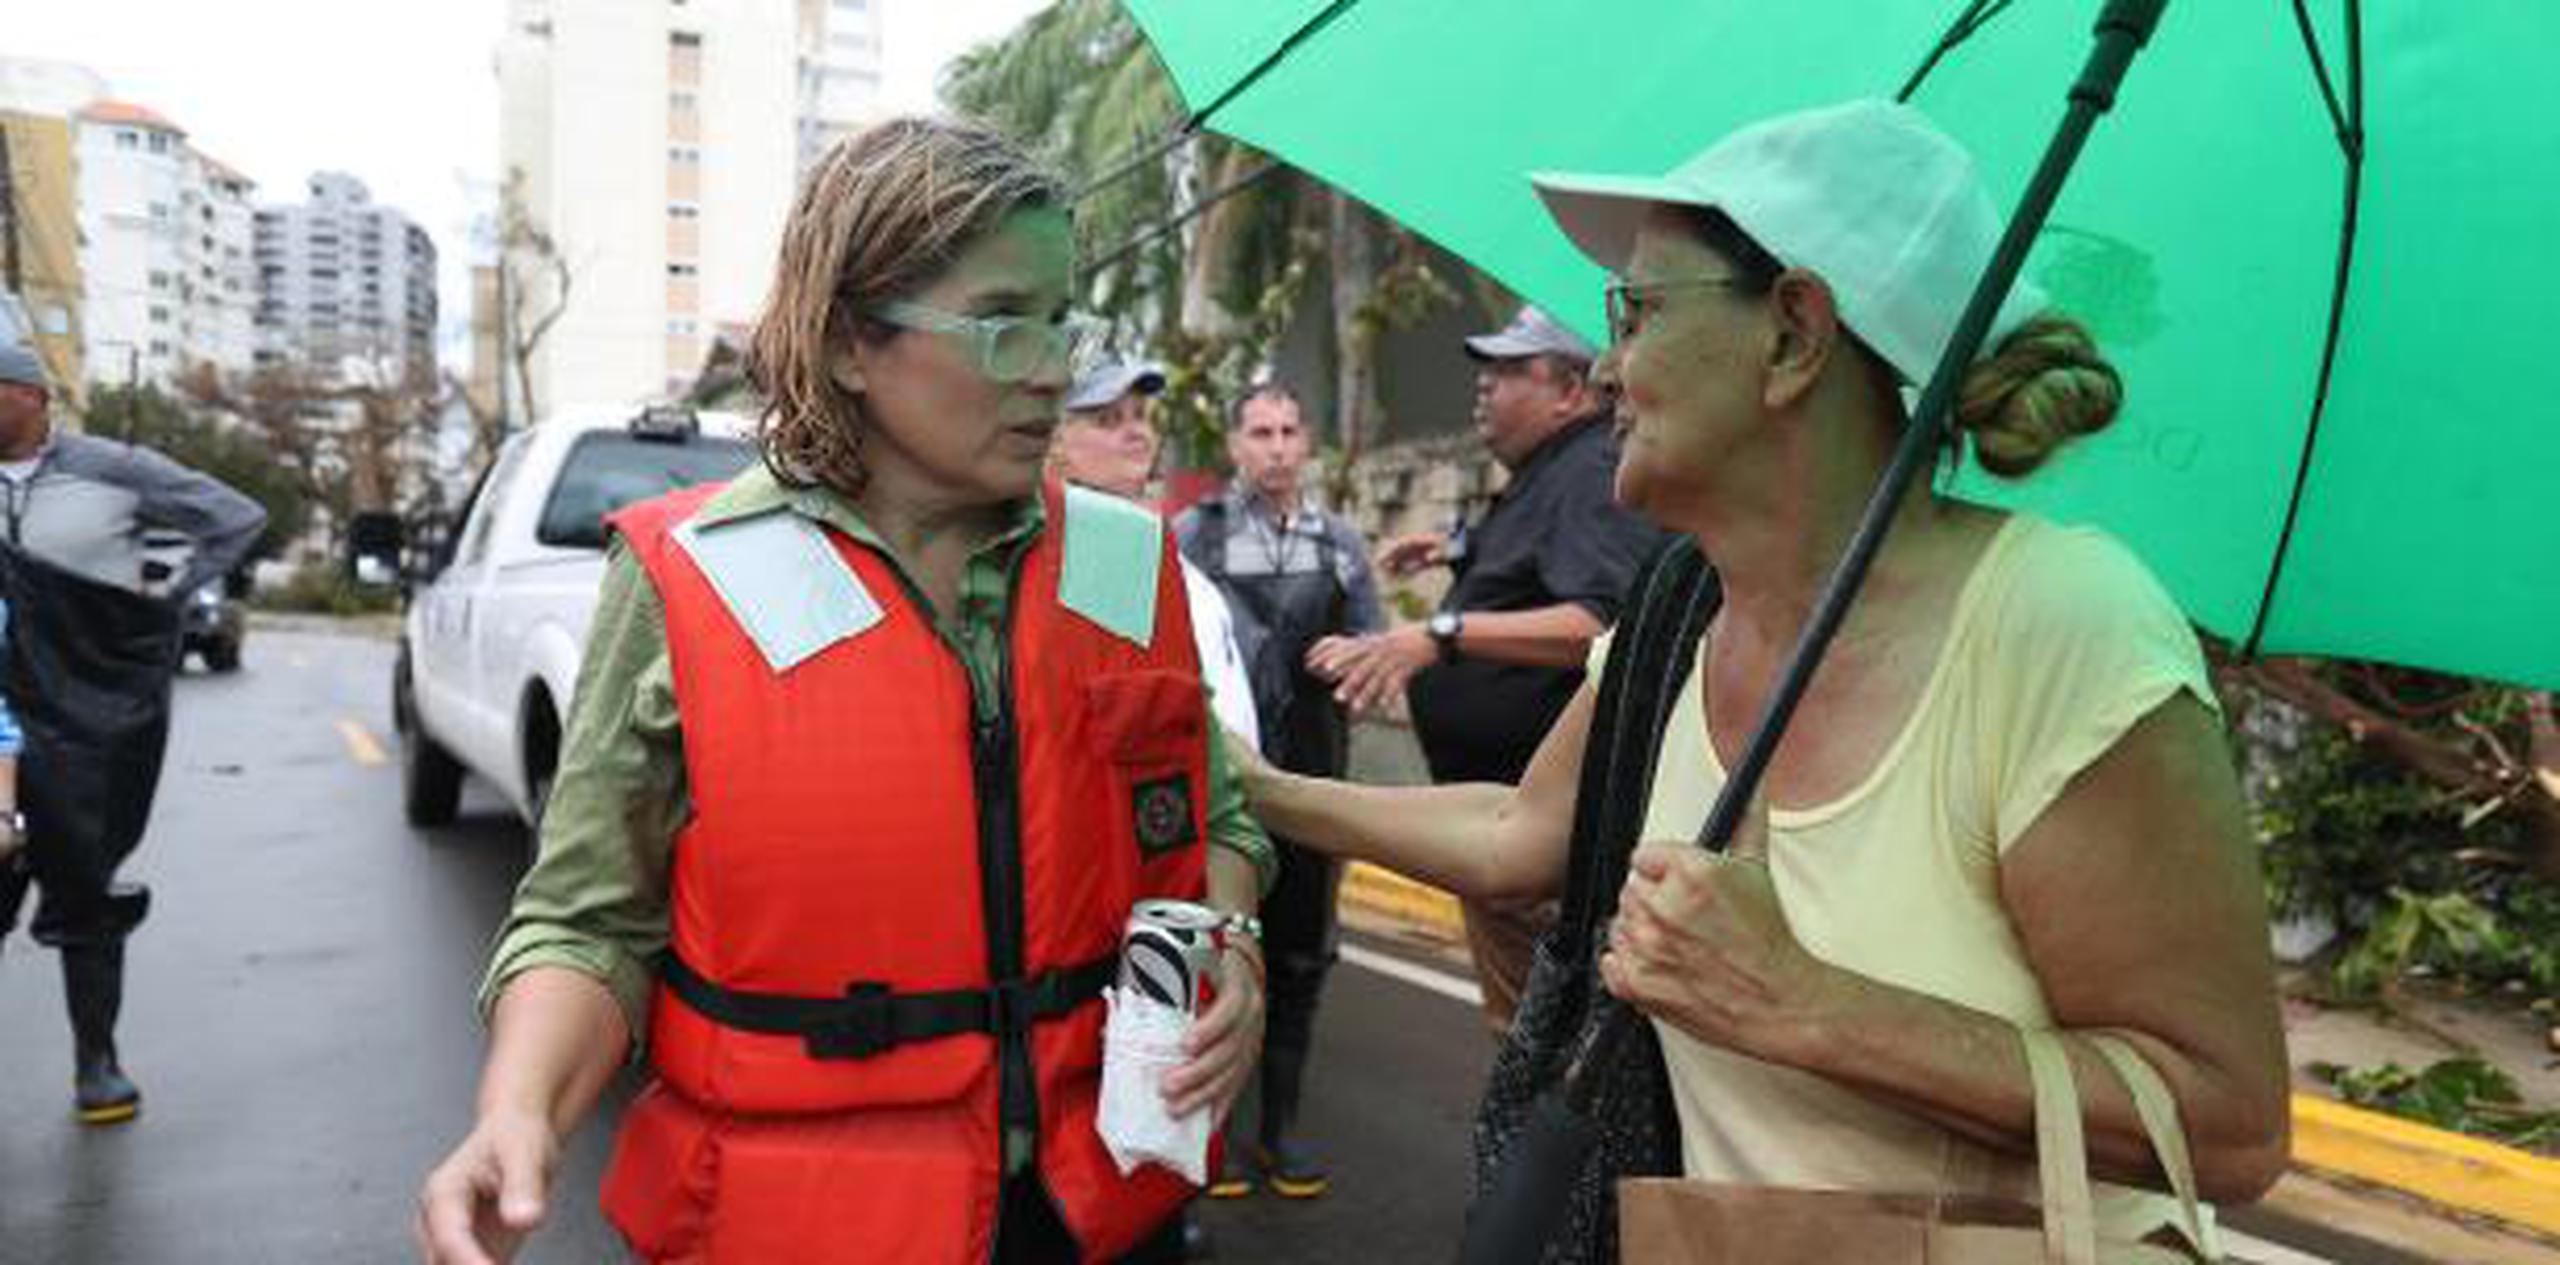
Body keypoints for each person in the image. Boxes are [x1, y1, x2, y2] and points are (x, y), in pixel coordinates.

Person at [1234, 99, 2288, 1254]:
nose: (1603, 364)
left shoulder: (2056, 622)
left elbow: (2225, 1119)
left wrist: (1807, 1004)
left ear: (1792, 332)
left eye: (1634, 310)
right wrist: (1256, 785)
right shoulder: (1677, 612)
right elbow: (1515, 832)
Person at [414, 119, 1271, 1265]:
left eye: (1065, 321)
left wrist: (1239, 949)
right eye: (1009, 324)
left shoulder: (1125, 559)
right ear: (852, 343)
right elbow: (587, 914)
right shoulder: (693, 579)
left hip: (1100, 1208)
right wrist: (517, 1111)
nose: (1058, 369)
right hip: (810, 1222)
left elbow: (1212, 817)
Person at [1307, 306, 1665, 1034]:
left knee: (1539, 1045)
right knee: (1521, 1035)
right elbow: (1534, 559)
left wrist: (1442, 632)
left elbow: (1600, 623)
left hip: (1539, 847)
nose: (1483, 386)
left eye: (1508, 370)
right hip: (1505, 830)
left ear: (1571, 389)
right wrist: (1454, 545)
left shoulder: (1592, 468)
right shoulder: (1553, 469)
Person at [0, 337, 268, 1126]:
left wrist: (163, 602)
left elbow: (234, 517)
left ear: (33, 397)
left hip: (88, 714)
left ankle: (98, 1062)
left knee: (84, 886)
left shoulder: (109, 468)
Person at [1174, 384, 1383, 1201]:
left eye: (1292, 430)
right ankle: (1212, 1130)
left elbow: (1373, 644)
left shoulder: (1338, 544)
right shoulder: (1194, 538)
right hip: (1223, 780)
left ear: (1309, 444)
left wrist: (1359, 658)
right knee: (1212, 947)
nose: (1278, 446)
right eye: (1261, 431)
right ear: (1234, 444)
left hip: (1314, 776)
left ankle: (1282, 1130)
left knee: (1302, 954)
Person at [1056, 360, 1259, 748]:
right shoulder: (1084, 561)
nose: (1135, 431)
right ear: (1058, 445)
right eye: (1108, 420)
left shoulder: (1147, 543)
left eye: (1140, 416)